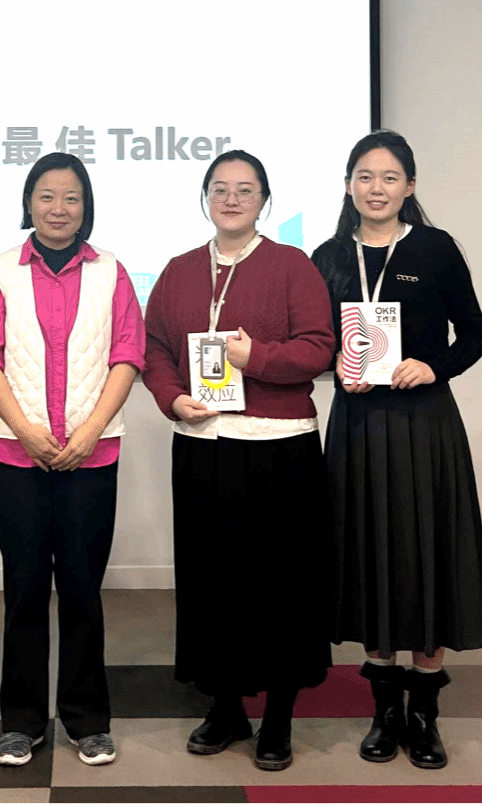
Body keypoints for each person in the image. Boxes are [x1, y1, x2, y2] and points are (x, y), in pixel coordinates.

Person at [142, 149, 335, 772]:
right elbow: (154, 347)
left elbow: (319, 348)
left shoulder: (292, 266)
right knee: (212, 582)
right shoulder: (178, 271)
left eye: (245, 189)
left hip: (280, 446)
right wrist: (172, 398)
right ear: (205, 197)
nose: (231, 199)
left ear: (264, 201)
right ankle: (225, 707)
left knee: (280, 586)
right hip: (202, 444)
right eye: (220, 188)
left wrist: (258, 359)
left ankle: (278, 718)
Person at [310, 129, 482, 770]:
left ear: (409, 186)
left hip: (424, 426)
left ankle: (425, 715)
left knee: (426, 557)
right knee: (369, 556)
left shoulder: (435, 249)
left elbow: (476, 333)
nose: (376, 188)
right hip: (358, 427)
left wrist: (434, 366)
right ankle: (385, 712)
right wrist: (334, 364)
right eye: (365, 176)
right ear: (348, 185)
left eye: (389, 177)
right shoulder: (329, 256)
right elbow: (314, 342)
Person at [0, 153, 144, 769]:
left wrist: (90, 432)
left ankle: (88, 720)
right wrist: (26, 431)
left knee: (83, 591)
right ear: (28, 202)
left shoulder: (112, 271)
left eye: (71, 198)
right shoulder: (0, 271)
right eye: (46, 196)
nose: (58, 208)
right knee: (24, 590)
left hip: (92, 457)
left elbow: (128, 356)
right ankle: (21, 722)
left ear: (86, 207)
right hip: (15, 457)